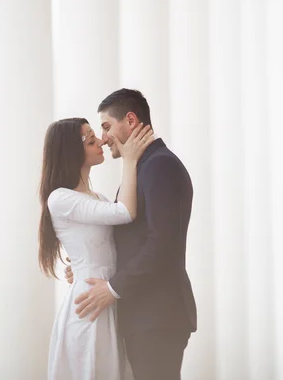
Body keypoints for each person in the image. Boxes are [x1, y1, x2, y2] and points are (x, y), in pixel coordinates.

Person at [65, 89, 197, 380]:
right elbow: (130, 239)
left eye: (107, 126)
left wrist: (111, 288)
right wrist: (88, 262)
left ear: (131, 120)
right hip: (147, 316)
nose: (104, 137)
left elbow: (161, 244)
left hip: (157, 316)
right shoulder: (144, 166)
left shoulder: (159, 165)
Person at [39, 117, 154, 379]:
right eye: (92, 141)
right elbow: (125, 212)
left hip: (109, 296)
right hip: (89, 304)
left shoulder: (98, 198)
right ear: (72, 152)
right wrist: (130, 159)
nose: (102, 141)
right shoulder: (60, 198)